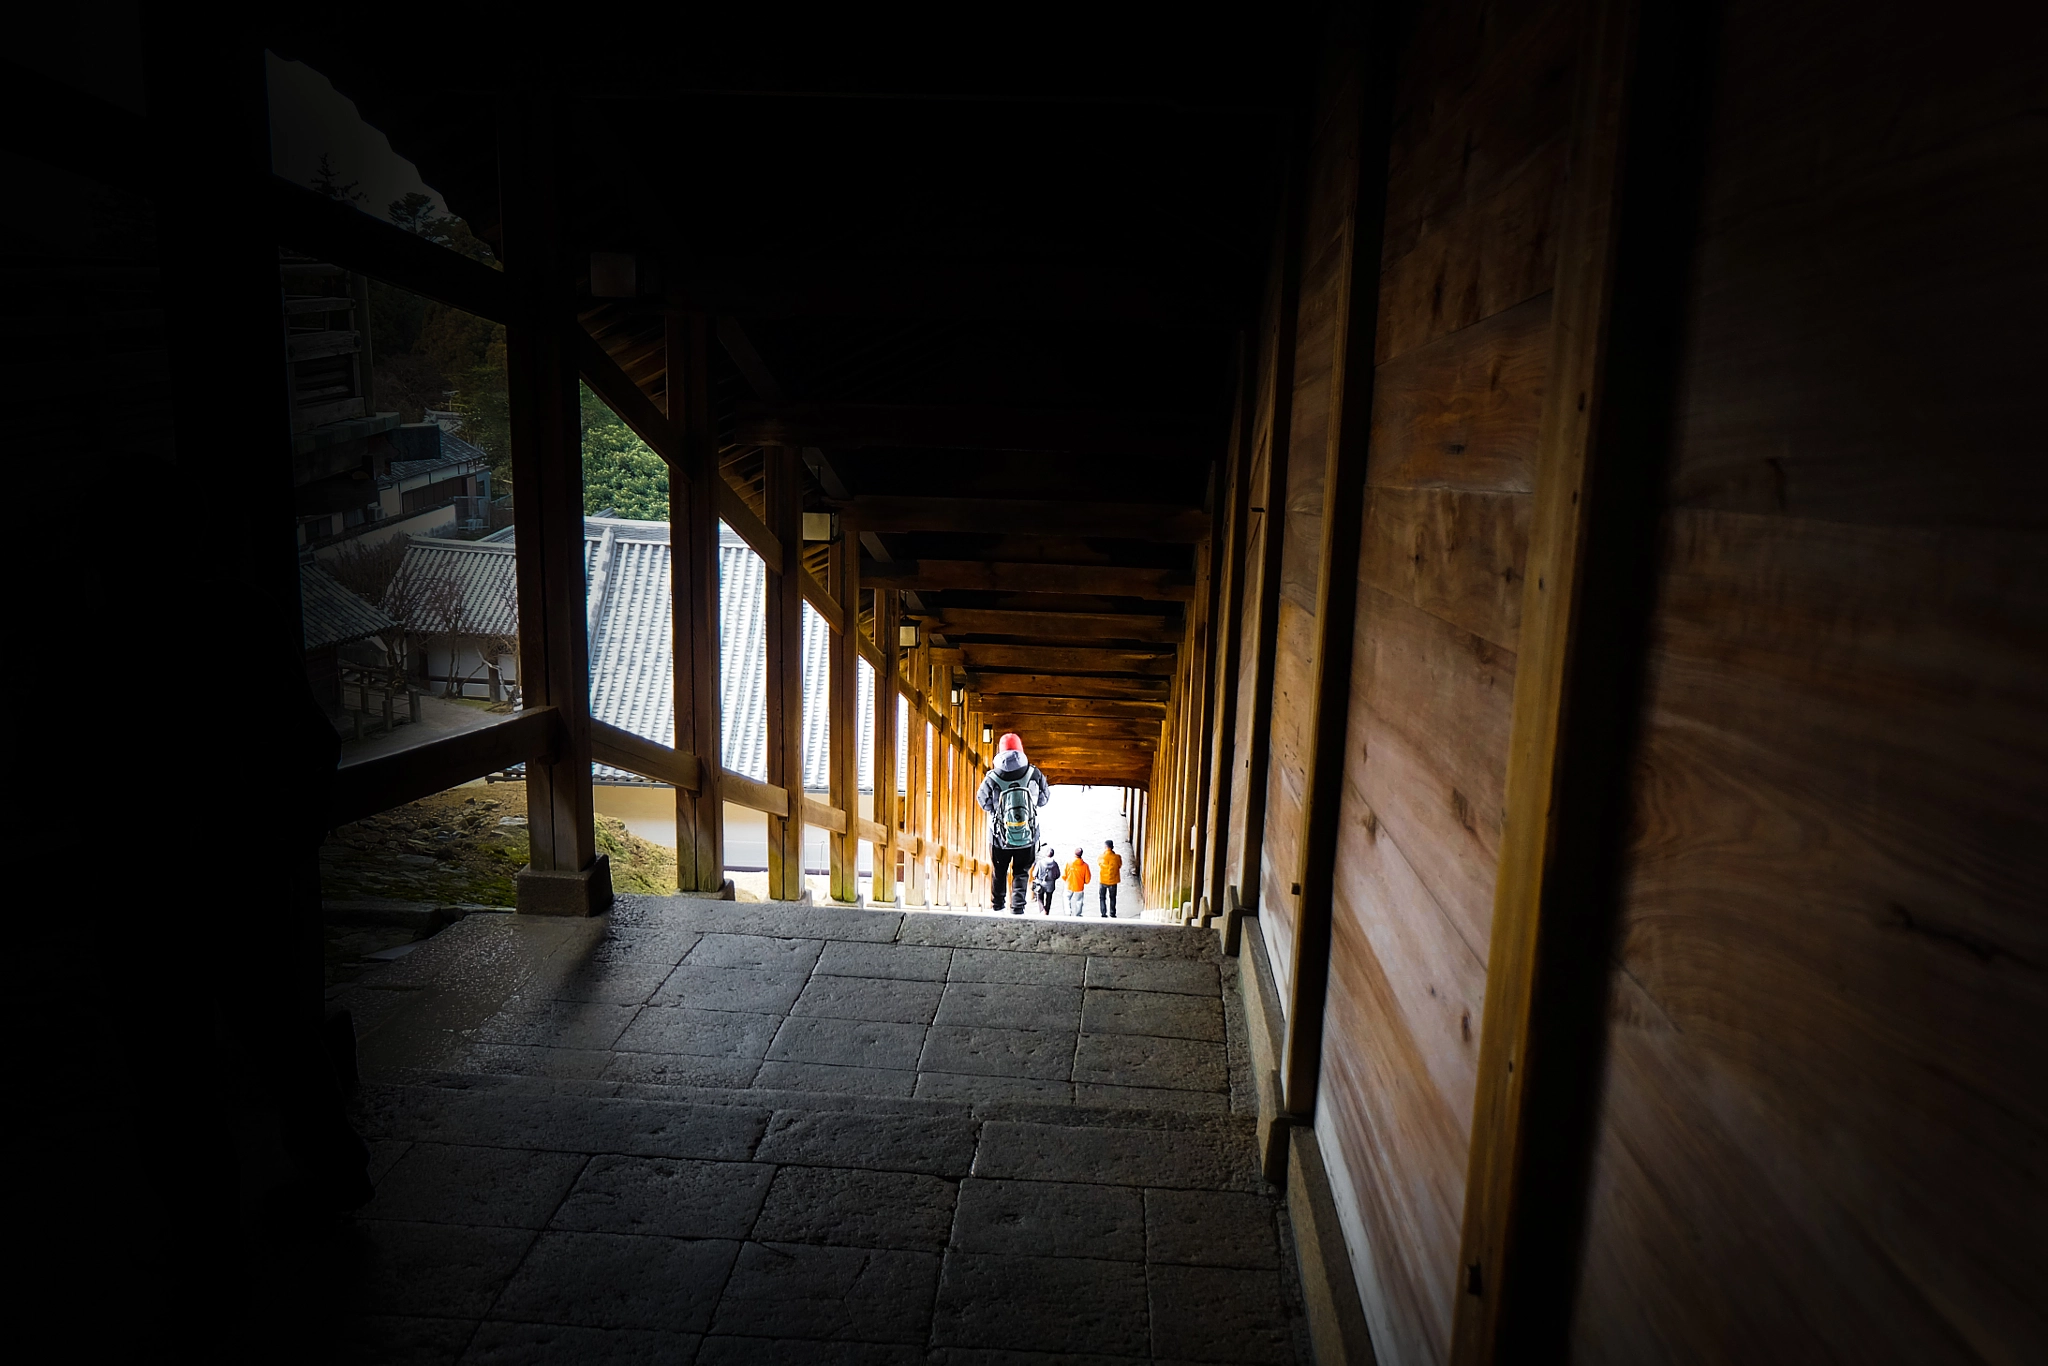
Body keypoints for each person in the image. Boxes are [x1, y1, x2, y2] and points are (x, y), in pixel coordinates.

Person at [977, 732, 1050, 914]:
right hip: (1028, 834)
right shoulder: (1033, 773)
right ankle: (1017, 908)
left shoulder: (993, 776)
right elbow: (1044, 799)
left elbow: (982, 800)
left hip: (998, 836)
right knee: (1022, 871)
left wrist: (995, 810)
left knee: (999, 871)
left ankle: (998, 907)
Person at [1063, 846, 1092, 916]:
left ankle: (1068, 912)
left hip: (1069, 885)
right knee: (1079, 901)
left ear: (1074, 854)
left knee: (1066, 898)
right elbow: (1088, 879)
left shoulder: (1068, 863)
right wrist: (1083, 882)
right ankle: (1078, 915)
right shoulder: (1085, 866)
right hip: (1079, 886)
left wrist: (1067, 880)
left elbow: (1063, 875)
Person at [1097, 839, 1122, 918]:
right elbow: (1119, 865)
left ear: (1105, 847)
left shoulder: (1101, 857)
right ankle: (1112, 913)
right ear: (1112, 847)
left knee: (1102, 898)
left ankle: (1103, 913)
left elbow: (1099, 864)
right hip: (1113, 881)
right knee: (1113, 897)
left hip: (1103, 881)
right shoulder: (1117, 857)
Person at [1033, 843, 1060, 915]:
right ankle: (1047, 911)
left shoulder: (1040, 863)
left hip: (1040, 883)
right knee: (1049, 899)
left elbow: (1034, 874)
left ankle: (1042, 911)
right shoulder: (1055, 864)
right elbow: (1058, 875)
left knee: (1040, 898)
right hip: (1050, 884)